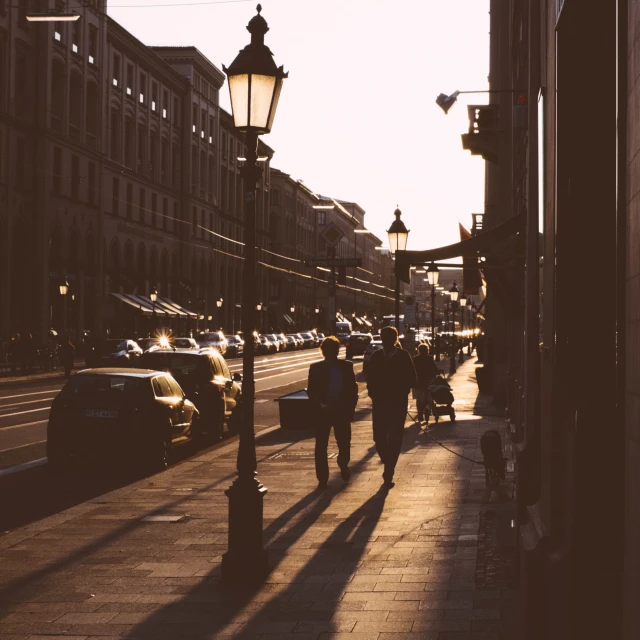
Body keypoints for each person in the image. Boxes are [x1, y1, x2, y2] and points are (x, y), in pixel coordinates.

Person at [366, 325, 417, 488]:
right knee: (378, 439)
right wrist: (372, 392)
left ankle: (389, 470)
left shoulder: (403, 356)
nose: (384, 340)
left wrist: (401, 389)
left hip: (397, 403)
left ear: (394, 339)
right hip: (380, 403)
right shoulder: (376, 356)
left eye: (387, 337)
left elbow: (412, 377)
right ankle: (388, 462)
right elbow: (370, 377)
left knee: (395, 438)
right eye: (382, 337)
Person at [307, 336, 358, 490]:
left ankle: (343, 464)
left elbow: (352, 390)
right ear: (324, 352)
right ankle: (323, 478)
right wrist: (321, 405)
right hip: (323, 411)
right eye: (328, 350)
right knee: (322, 445)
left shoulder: (346, 366)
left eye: (333, 350)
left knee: (343, 443)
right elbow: (312, 391)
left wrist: (350, 408)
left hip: (341, 410)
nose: (331, 353)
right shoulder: (315, 368)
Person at [413, 344, 439, 421]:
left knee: (419, 399)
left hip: (418, 382)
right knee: (427, 398)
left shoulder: (416, 359)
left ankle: (420, 414)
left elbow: (413, 370)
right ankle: (426, 411)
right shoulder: (429, 358)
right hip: (427, 381)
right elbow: (434, 369)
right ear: (427, 350)